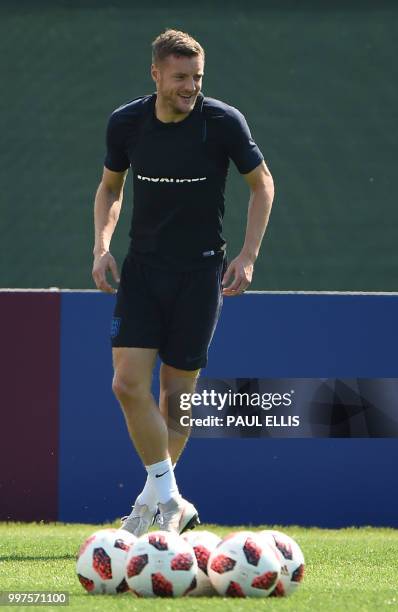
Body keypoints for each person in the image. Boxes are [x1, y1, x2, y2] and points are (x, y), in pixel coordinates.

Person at [92, 29, 274, 535]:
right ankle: (171, 497)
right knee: (127, 384)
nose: (189, 87)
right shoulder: (126, 123)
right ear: (155, 74)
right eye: (179, 78)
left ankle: (154, 504)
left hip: (200, 274)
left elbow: (262, 185)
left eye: (196, 77)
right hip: (144, 271)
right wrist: (101, 246)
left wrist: (249, 254)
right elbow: (110, 187)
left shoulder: (222, 122)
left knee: (178, 399)